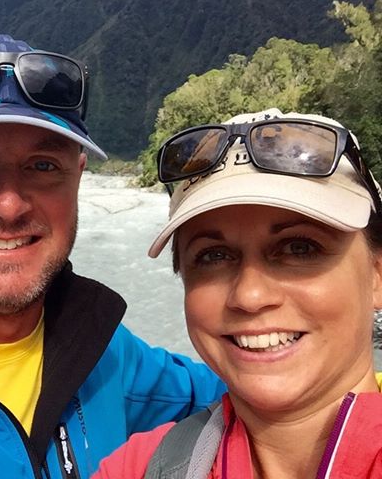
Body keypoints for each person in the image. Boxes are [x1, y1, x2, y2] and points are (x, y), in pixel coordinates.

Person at [0, 34, 225, 478]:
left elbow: (252, 393)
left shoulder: (103, 354)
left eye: (42, 166)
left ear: (77, 177)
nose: (9, 205)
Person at [93, 108, 382, 478]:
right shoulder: (138, 468)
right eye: (213, 256)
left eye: (299, 248)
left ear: (376, 274)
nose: (250, 295)